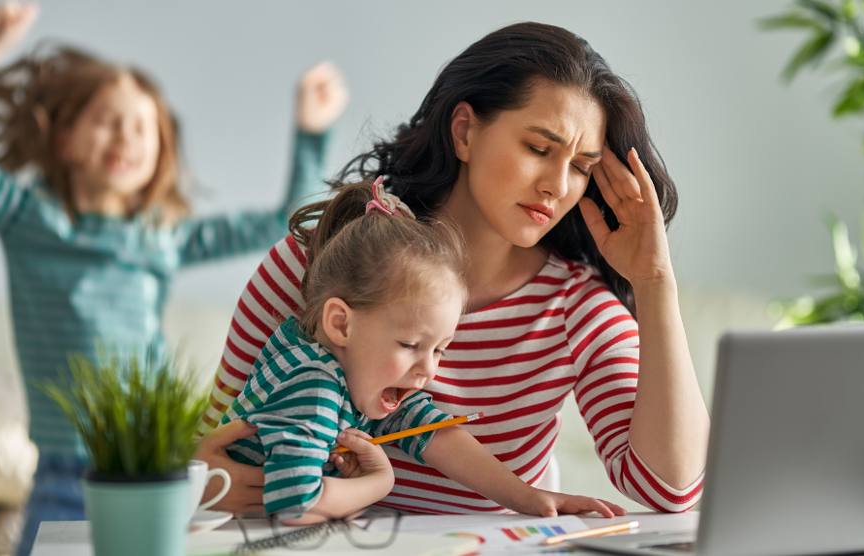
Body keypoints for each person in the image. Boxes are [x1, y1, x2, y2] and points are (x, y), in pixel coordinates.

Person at [196, 21, 710, 515]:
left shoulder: (576, 308)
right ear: (464, 132)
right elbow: (206, 442)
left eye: (581, 167)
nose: (558, 185)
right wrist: (206, 483)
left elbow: (670, 490)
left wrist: (654, 282)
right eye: (538, 148)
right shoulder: (320, 260)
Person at [0, 2, 347, 553]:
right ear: (65, 142)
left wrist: (310, 132)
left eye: (142, 126)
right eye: (107, 119)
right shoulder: (24, 216)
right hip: (62, 476)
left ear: (159, 155)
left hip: (159, 468)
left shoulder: (161, 237)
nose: (126, 134)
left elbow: (284, 225)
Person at [222, 178, 627, 523]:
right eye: (410, 345)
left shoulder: (349, 369)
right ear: (341, 323)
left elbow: (433, 431)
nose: (427, 372)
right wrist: (378, 483)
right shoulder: (313, 386)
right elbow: (295, 504)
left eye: (440, 351)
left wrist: (525, 497)